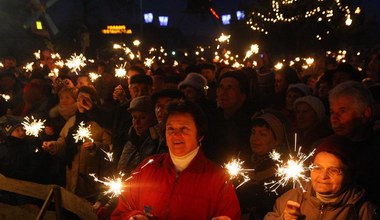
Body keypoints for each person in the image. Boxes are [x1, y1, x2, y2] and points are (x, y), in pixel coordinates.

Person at [111, 99, 241, 219]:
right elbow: (122, 211)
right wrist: (133, 217)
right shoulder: (147, 168)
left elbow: (230, 215)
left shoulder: (218, 179)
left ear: (199, 135)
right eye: (170, 129)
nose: (175, 135)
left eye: (184, 129)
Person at [264, 135, 378, 220]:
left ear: (349, 174)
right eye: (318, 168)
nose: (323, 176)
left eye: (333, 170)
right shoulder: (290, 200)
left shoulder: (363, 211)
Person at [42, 86, 112, 201]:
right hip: (72, 176)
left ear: (93, 102)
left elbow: (110, 148)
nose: (81, 103)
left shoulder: (100, 123)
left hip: (92, 178)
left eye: (85, 100)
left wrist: (96, 147)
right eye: (79, 99)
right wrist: (53, 145)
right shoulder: (72, 121)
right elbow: (63, 142)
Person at [328, 80, 380, 207]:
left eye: (342, 111)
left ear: (365, 113)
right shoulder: (324, 149)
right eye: (332, 112)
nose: (334, 118)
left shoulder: (376, 153)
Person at [237, 110, 291, 220]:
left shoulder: (284, 173)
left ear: (276, 141)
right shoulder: (243, 164)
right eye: (253, 132)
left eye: (263, 134)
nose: (255, 138)